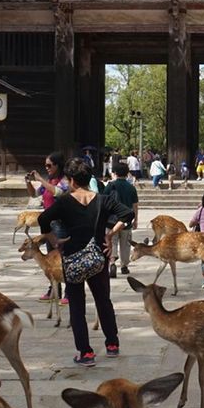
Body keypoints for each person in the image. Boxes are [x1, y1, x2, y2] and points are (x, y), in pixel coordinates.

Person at [38, 157, 134, 366]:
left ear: (71, 180)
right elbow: (127, 214)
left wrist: (53, 240)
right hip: (98, 256)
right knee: (103, 301)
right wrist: (110, 235)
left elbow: (43, 219)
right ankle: (112, 344)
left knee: (77, 306)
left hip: (72, 257)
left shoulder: (64, 201)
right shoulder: (102, 199)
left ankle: (86, 352)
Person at [103, 161, 139, 276]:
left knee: (111, 242)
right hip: (126, 221)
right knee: (125, 244)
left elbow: (104, 202)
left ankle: (112, 263)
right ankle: (124, 266)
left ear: (115, 173)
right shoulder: (131, 188)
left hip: (111, 221)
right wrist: (136, 219)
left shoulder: (110, 186)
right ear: (127, 173)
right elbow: (135, 205)